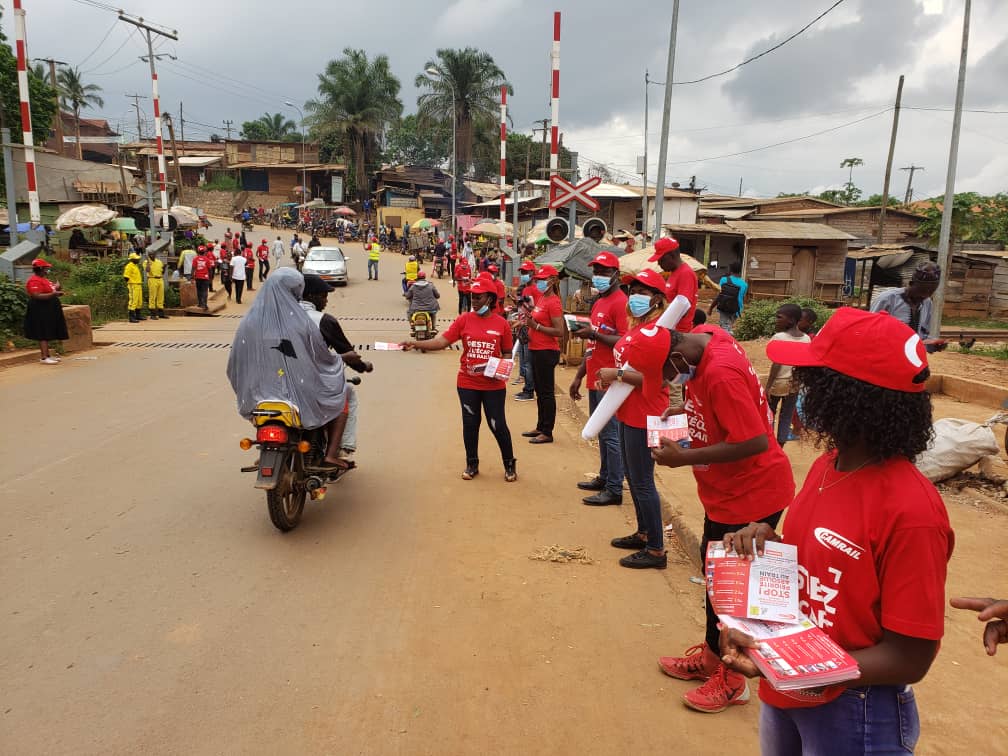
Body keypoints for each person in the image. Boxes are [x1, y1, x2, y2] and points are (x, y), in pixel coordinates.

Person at [720, 307, 953, 751]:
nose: (800, 389)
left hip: (857, 710)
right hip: (790, 692)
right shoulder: (828, 467)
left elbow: (910, 657)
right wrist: (772, 547)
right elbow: (832, 563)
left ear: (845, 395)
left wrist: (782, 661)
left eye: (811, 378)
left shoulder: (912, 511)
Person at [651, 321, 795, 713]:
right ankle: (715, 660)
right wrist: (688, 407)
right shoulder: (706, 336)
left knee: (735, 593)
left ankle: (734, 681)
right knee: (716, 581)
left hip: (752, 495)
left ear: (677, 356)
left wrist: (684, 458)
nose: (667, 383)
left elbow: (753, 440)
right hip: (726, 494)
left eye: (665, 374)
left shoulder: (720, 374)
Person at [227, 268, 350, 471]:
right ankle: (330, 454)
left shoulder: (249, 322)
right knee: (339, 395)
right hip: (298, 391)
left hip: (260, 393)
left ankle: (268, 451)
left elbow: (236, 362)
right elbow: (320, 358)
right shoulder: (301, 322)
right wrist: (338, 361)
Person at [401, 278, 517, 482]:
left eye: (478, 297)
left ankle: (509, 464)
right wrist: (416, 343)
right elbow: (441, 341)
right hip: (467, 383)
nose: (474, 300)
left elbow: (507, 352)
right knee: (470, 423)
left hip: (493, 386)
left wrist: (503, 367)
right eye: (472, 296)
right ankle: (472, 464)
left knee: (497, 424)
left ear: (490, 299)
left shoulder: (502, 324)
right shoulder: (464, 320)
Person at [595, 269, 670, 568]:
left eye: (644, 291)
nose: (636, 296)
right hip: (628, 410)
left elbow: (661, 379)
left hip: (646, 413)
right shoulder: (637, 329)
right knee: (632, 476)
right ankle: (644, 533)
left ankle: (656, 550)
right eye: (633, 290)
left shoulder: (660, 333)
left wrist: (619, 375)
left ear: (658, 299)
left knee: (642, 482)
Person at [568, 252, 629, 506]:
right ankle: (605, 477)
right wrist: (579, 375)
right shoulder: (599, 302)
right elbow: (593, 345)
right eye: (596, 271)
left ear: (616, 275)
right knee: (602, 433)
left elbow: (625, 341)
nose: (599, 276)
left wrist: (595, 334)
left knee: (611, 434)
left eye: (604, 272)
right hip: (595, 377)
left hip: (611, 379)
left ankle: (615, 488)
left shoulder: (619, 303)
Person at [300, 274, 372, 464]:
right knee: (346, 395)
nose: (326, 300)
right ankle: (334, 453)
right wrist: (362, 366)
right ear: (312, 296)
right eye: (324, 296)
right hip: (312, 385)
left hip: (275, 385)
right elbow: (346, 351)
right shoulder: (323, 320)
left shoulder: (276, 316)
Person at [523, 264, 564, 445]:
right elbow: (537, 318)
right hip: (536, 349)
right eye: (538, 279)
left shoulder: (554, 302)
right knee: (540, 391)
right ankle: (540, 426)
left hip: (546, 351)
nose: (539, 282)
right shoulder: (542, 298)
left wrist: (536, 327)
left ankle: (548, 431)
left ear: (553, 280)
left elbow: (559, 331)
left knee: (546, 392)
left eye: (543, 279)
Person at [870, 261, 946, 352]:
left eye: (930, 293)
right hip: (885, 355)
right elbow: (870, 330)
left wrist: (932, 345)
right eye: (921, 292)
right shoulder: (887, 299)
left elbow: (922, 337)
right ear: (911, 283)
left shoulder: (927, 302)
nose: (924, 296)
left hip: (911, 358)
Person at [765, 304, 810, 447]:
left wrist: (768, 386)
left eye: (779, 317)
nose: (776, 320)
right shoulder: (806, 339)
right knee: (787, 415)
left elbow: (776, 364)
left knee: (770, 414)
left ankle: (771, 445)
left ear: (790, 320)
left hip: (778, 383)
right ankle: (780, 445)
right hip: (795, 383)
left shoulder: (779, 337)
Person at [23, 258, 68, 364]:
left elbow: (51, 290)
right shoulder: (34, 280)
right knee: (43, 331)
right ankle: (44, 357)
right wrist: (53, 294)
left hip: (49, 308)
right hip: (40, 309)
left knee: (48, 330)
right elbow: (36, 295)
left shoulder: (45, 279)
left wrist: (57, 288)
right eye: (46, 268)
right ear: (40, 269)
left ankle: (48, 355)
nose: (48, 270)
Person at [512, 261, 539, 402]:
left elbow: (536, 310)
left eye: (525, 272)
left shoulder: (535, 289)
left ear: (532, 274)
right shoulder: (525, 289)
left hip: (529, 328)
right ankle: (526, 387)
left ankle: (529, 390)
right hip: (523, 327)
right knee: (523, 357)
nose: (523, 275)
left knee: (528, 361)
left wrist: (524, 306)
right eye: (522, 272)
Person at [708, 261, 747, 334]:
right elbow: (742, 298)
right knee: (728, 326)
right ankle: (728, 337)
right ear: (740, 271)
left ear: (730, 270)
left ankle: (727, 340)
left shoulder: (724, 280)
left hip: (724, 307)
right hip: (736, 310)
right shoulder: (744, 284)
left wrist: (711, 307)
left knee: (725, 328)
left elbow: (719, 296)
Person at [145, 247, 168, 320]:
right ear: (148, 255)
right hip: (152, 279)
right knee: (152, 296)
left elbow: (162, 272)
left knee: (161, 296)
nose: (152, 255)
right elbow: (147, 270)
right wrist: (148, 263)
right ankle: (152, 314)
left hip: (160, 279)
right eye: (150, 254)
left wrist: (164, 267)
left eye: (153, 254)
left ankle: (161, 313)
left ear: (155, 254)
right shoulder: (146, 262)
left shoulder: (159, 262)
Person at [123, 252, 146, 322]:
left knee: (139, 301)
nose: (138, 260)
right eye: (136, 259)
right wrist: (130, 283)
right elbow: (126, 277)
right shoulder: (129, 266)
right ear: (132, 259)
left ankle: (138, 315)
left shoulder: (135, 266)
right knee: (133, 301)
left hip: (138, 285)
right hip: (133, 285)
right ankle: (131, 317)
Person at [192, 245, 214, 310]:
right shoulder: (207, 259)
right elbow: (210, 270)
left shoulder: (195, 259)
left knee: (199, 291)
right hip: (205, 278)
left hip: (198, 277)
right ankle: (204, 304)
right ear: (204, 252)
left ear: (198, 252)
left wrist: (192, 277)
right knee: (205, 291)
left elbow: (193, 269)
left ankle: (200, 303)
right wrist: (210, 278)